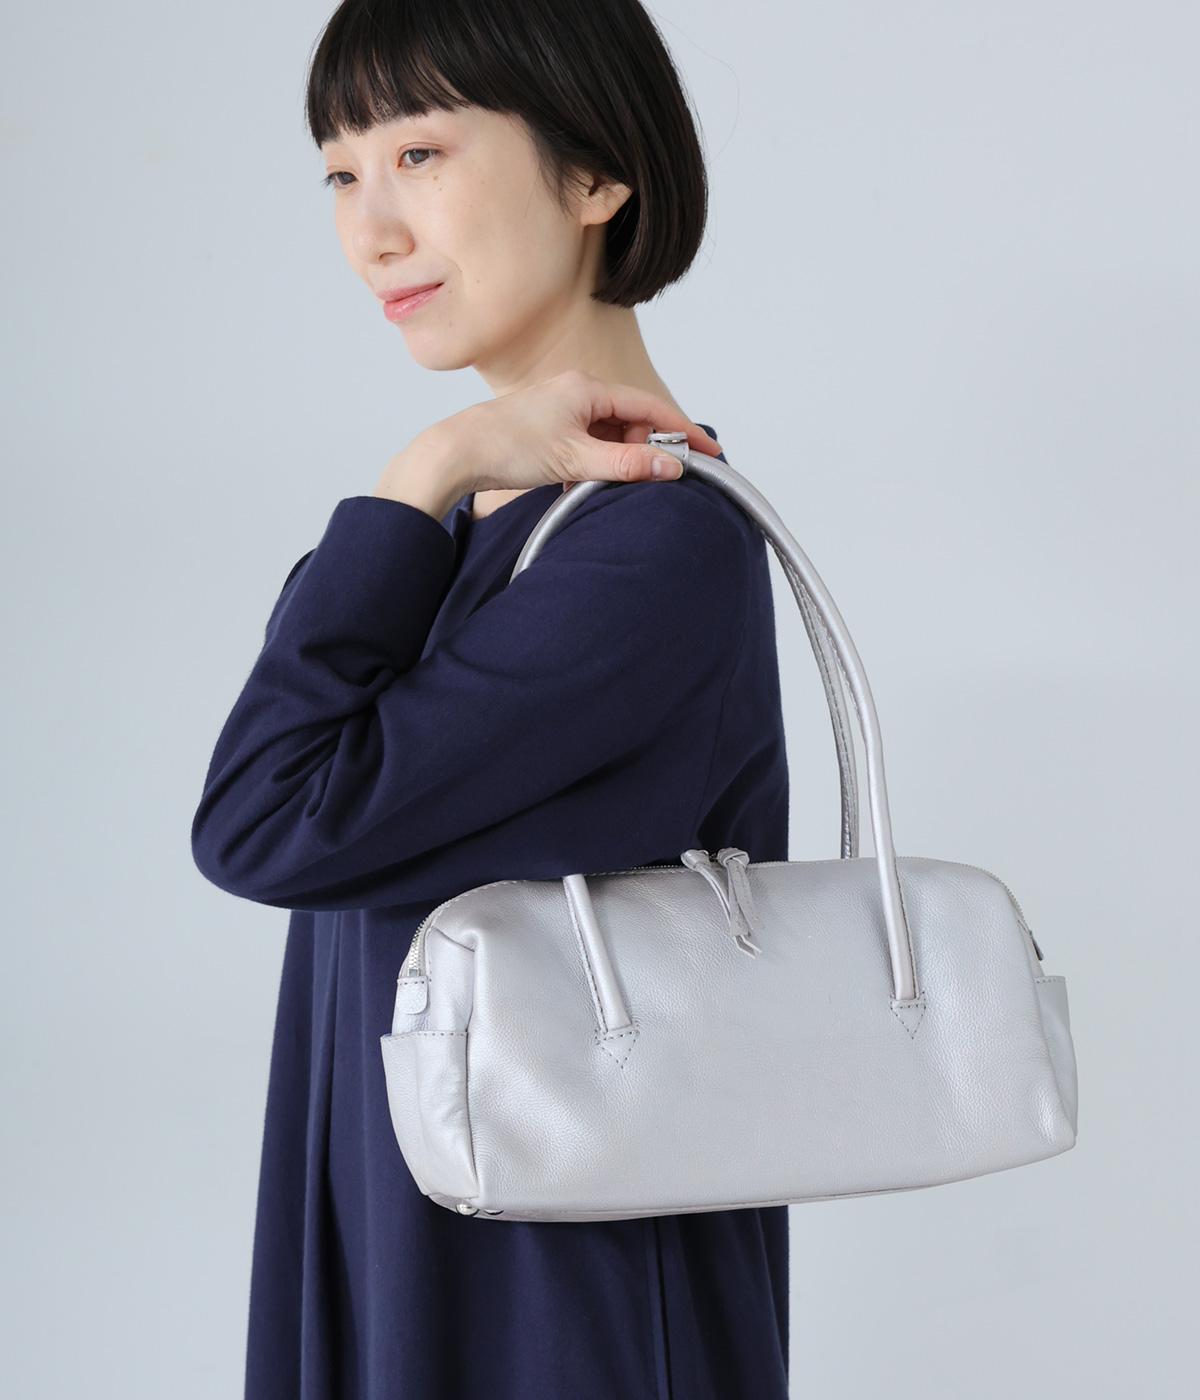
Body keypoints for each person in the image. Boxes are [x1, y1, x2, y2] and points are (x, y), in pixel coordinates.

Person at [191, 0, 791, 1395]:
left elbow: (262, 821)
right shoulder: (453, 538)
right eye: (341, 173)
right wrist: (450, 472)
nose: (370, 230)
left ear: (595, 175)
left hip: (555, 1309)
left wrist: (429, 463)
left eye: (419, 154)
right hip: (404, 1250)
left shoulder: (656, 549)